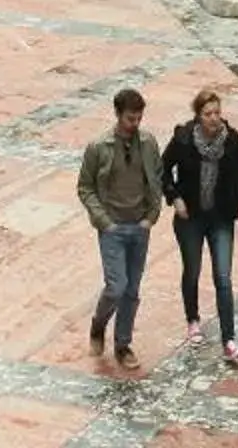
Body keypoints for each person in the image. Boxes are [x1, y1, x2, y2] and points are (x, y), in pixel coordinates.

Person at [160, 87, 238, 366]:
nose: (214, 119)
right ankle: (193, 320)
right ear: (198, 116)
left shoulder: (231, 141)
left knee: (223, 277)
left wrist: (234, 204)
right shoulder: (184, 139)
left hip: (220, 218)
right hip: (191, 217)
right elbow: (162, 168)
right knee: (193, 270)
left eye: (217, 113)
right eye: (208, 113)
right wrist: (174, 197)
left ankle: (229, 340)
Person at [77, 86, 165, 368]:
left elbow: (157, 179)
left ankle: (123, 344)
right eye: (130, 118)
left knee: (132, 290)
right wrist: (104, 220)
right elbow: (85, 187)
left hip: (139, 225)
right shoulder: (98, 148)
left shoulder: (149, 144)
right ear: (118, 115)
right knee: (117, 285)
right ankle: (98, 324)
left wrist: (151, 215)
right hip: (113, 226)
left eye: (138, 118)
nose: (134, 124)